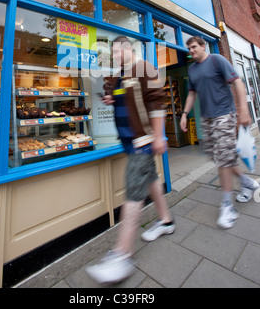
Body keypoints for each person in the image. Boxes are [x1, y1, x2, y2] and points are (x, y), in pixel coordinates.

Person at [86, 36, 174, 285]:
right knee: (151, 180)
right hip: (128, 141)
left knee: (133, 192)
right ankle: (166, 220)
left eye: (116, 52)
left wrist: (158, 136)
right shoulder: (120, 75)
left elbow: (157, 102)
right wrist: (111, 99)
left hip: (142, 140)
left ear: (127, 49)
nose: (114, 57)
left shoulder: (145, 68)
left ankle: (122, 255)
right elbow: (119, 96)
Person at [180, 36, 259, 230]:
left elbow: (238, 83)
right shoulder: (192, 69)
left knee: (224, 159)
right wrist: (183, 114)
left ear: (203, 46)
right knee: (220, 158)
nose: (191, 50)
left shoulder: (217, 60)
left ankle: (227, 205)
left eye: (194, 47)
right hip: (206, 119)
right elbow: (192, 93)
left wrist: (243, 109)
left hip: (225, 114)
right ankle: (246, 182)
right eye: (189, 48)